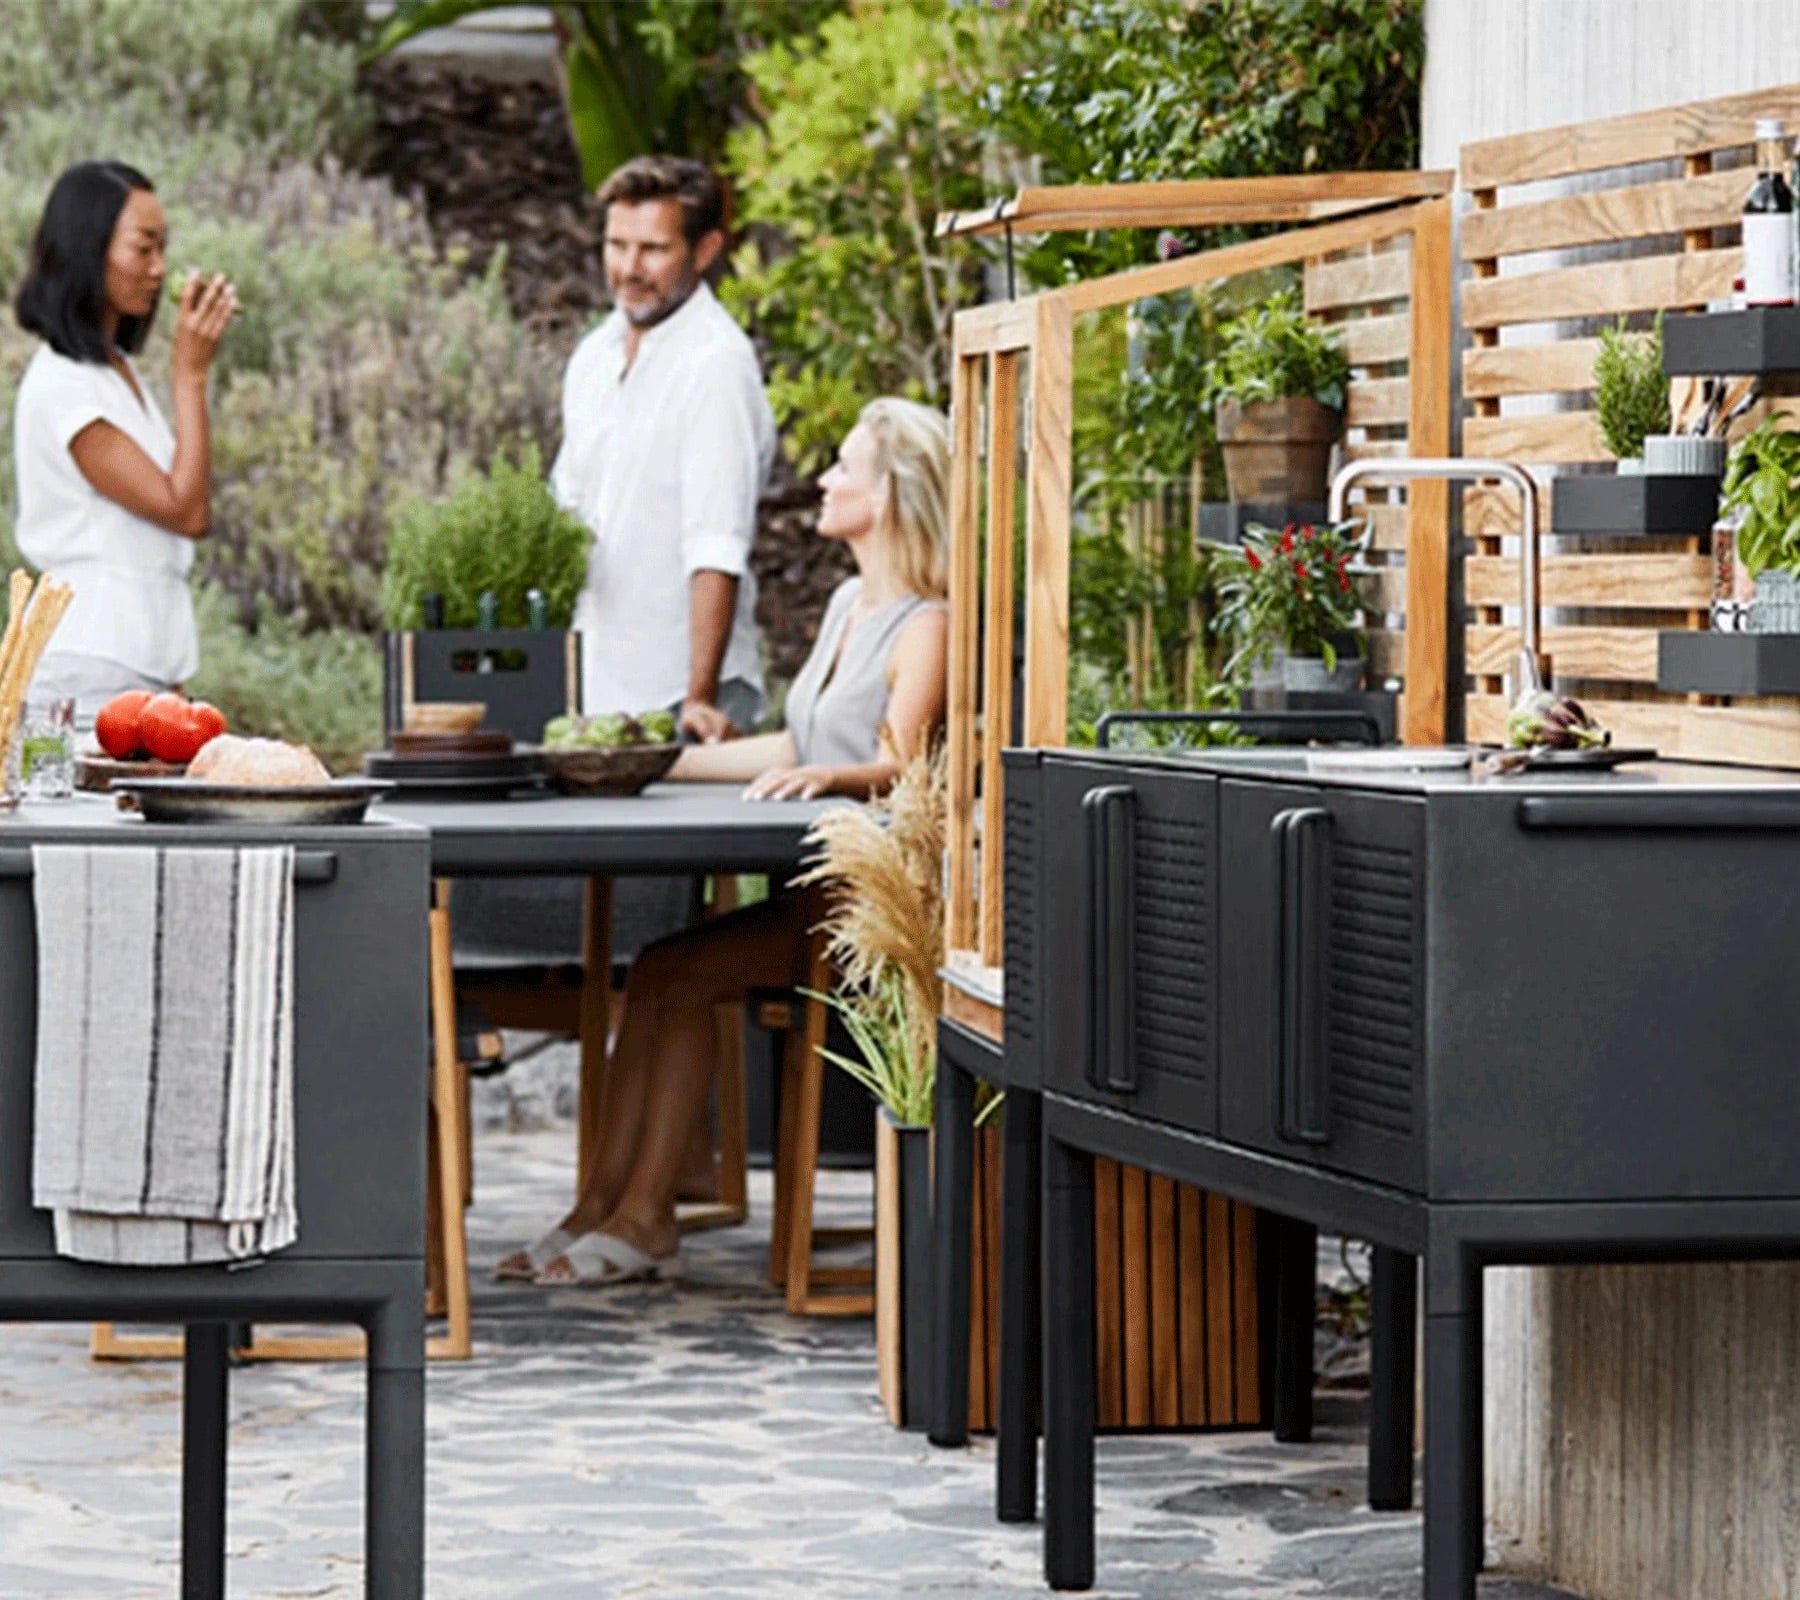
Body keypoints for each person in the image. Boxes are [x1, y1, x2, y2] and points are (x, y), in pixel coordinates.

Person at [498, 396, 951, 1286]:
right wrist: (651, 760)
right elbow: (795, 745)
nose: (825, 480)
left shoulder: (926, 624)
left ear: (890, 495)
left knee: (681, 973)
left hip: (872, 913)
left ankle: (645, 1222)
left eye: (845, 467)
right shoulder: (850, 603)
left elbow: (899, 765)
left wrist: (833, 779)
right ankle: (601, 1209)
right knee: (658, 969)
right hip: (814, 894)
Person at [551, 155, 774, 742]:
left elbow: (717, 544)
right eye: (617, 245)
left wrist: (699, 699)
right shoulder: (594, 356)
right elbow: (564, 514)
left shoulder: (716, 364)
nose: (629, 268)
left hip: (682, 697)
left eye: (653, 249)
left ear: (705, 251)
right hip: (595, 691)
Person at [11, 160, 237, 716]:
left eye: (164, 249)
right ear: (88, 248)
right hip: (89, 663)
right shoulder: (65, 384)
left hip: (134, 662)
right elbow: (185, 510)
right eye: (143, 248)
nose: (159, 268)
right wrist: (190, 376)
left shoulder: (113, 371)